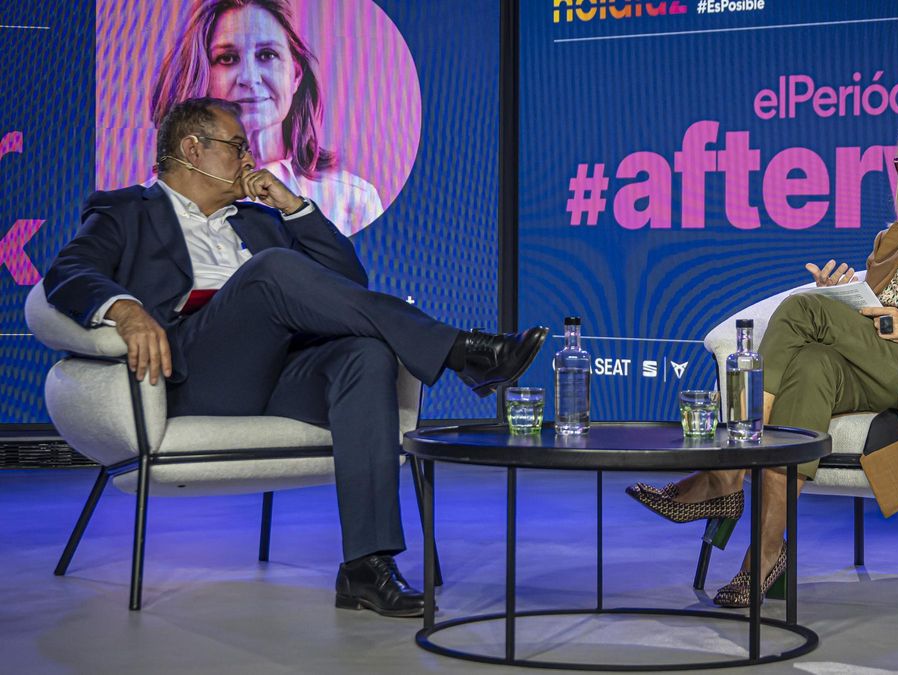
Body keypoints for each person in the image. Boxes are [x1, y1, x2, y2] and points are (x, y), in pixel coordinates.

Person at [44, 97, 548, 618]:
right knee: (270, 272)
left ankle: (365, 567)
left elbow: (348, 287)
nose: (248, 159)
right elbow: (68, 273)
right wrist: (125, 310)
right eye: (237, 146)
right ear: (191, 149)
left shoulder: (261, 221)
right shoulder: (126, 210)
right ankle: (462, 351)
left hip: (278, 373)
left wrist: (293, 207)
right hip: (195, 374)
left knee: (366, 353)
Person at [627, 117, 898, 608]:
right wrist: (840, 299)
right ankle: (767, 554)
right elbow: (869, 317)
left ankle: (726, 471)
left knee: (802, 309)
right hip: (875, 367)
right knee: (812, 367)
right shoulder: (892, 241)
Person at [151, 0, 383, 236]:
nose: (250, 78)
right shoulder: (154, 203)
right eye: (227, 58)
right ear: (203, 77)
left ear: (296, 76)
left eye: (267, 55)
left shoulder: (353, 199)